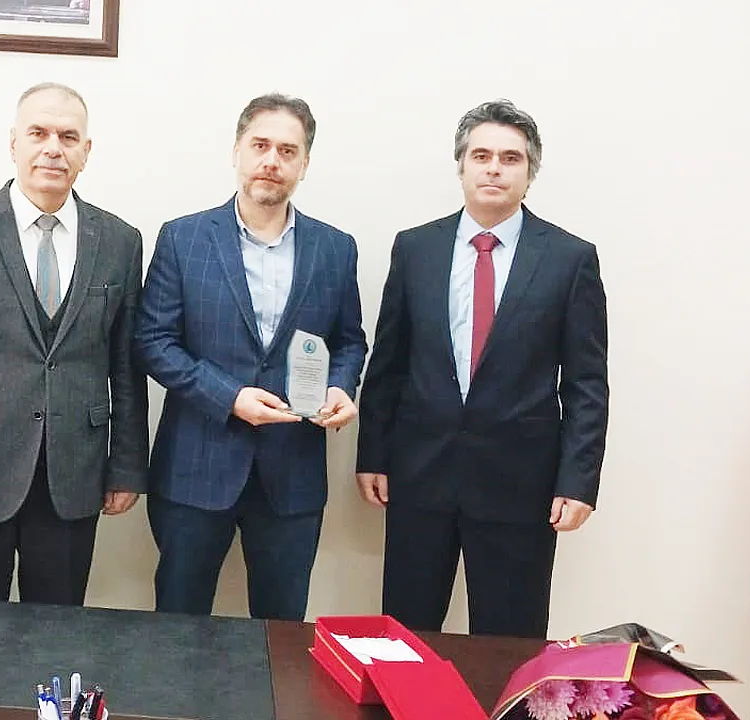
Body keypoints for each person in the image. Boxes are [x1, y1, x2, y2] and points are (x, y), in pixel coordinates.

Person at [355, 99, 609, 638]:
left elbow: (586, 383)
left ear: (529, 172)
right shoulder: (416, 248)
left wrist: (578, 480)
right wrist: (372, 453)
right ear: (462, 166)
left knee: (509, 642)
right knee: (406, 637)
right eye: (482, 155)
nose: (494, 168)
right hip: (419, 475)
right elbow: (389, 363)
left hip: (521, 484)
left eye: (510, 158)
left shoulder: (570, 259)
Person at [0, 82, 149, 605]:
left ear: (86, 151)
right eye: (38, 133)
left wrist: (127, 465)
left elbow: (126, 365)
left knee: (56, 633)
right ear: (13, 143)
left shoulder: (120, 241)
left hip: (73, 475)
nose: (53, 149)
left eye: (68, 137)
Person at [134, 93, 368, 621]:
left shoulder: (336, 248)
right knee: (178, 625)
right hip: (195, 467)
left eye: (288, 150)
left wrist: (340, 386)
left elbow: (349, 341)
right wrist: (230, 397)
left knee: (281, 632)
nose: (272, 160)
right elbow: (153, 341)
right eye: (260, 145)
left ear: (304, 164)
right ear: (237, 151)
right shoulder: (184, 238)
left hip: (293, 473)